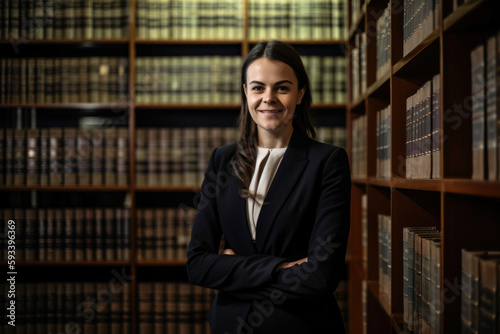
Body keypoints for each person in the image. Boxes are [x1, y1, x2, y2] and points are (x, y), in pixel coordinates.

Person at [186, 40, 351, 334]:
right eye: (258, 87)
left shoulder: (327, 162)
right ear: (245, 92)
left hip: (299, 327)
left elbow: (322, 276)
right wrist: (278, 268)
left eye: (282, 88)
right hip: (229, 325)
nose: (269, 98)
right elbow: (198, 264)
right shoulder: (222, 161)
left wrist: (232, 273)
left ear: (300, 93)